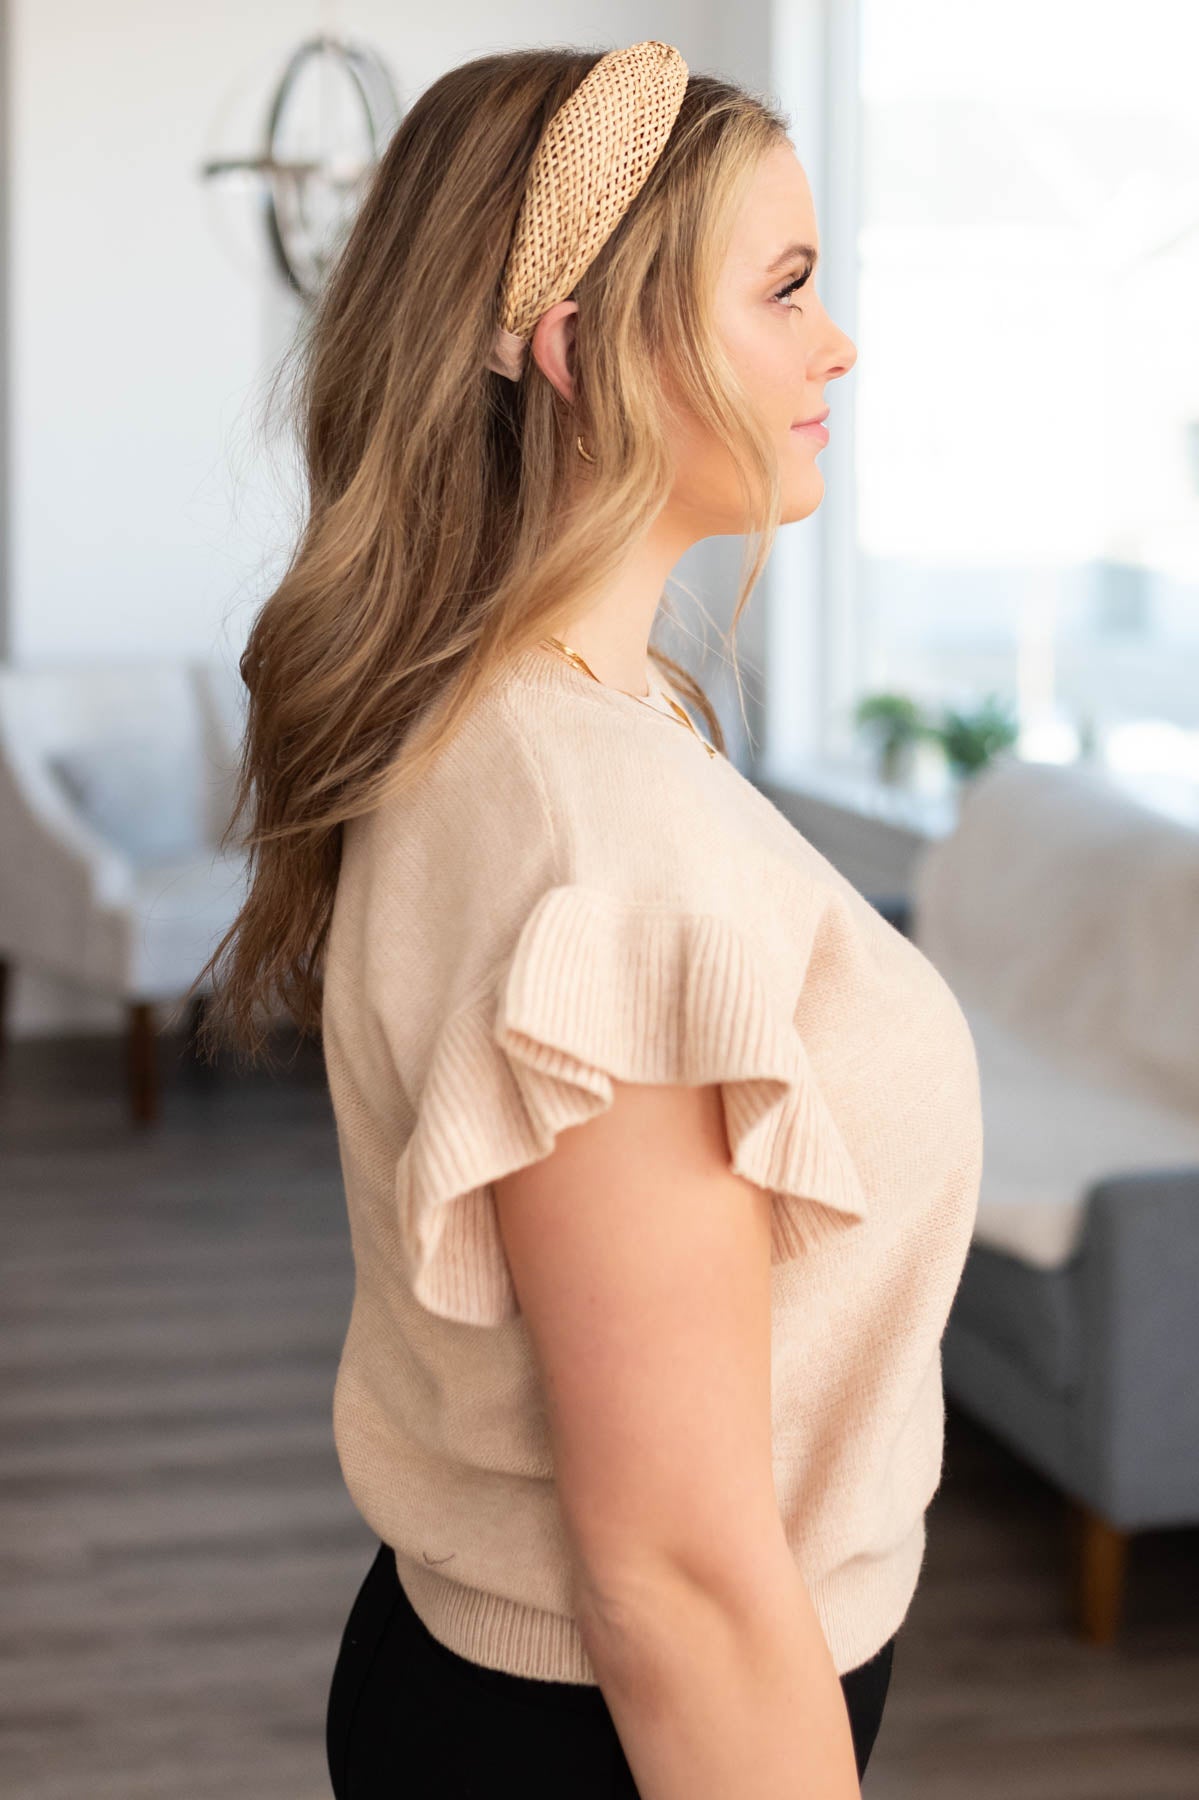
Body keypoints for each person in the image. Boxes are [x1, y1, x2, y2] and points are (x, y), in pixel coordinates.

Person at [191, 38, 984, 1800]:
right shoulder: (596, 850)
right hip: (625, 1735)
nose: (834, 343)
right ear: (581, 345)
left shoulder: (513, 726)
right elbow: (680, 1587)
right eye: (782, 290)